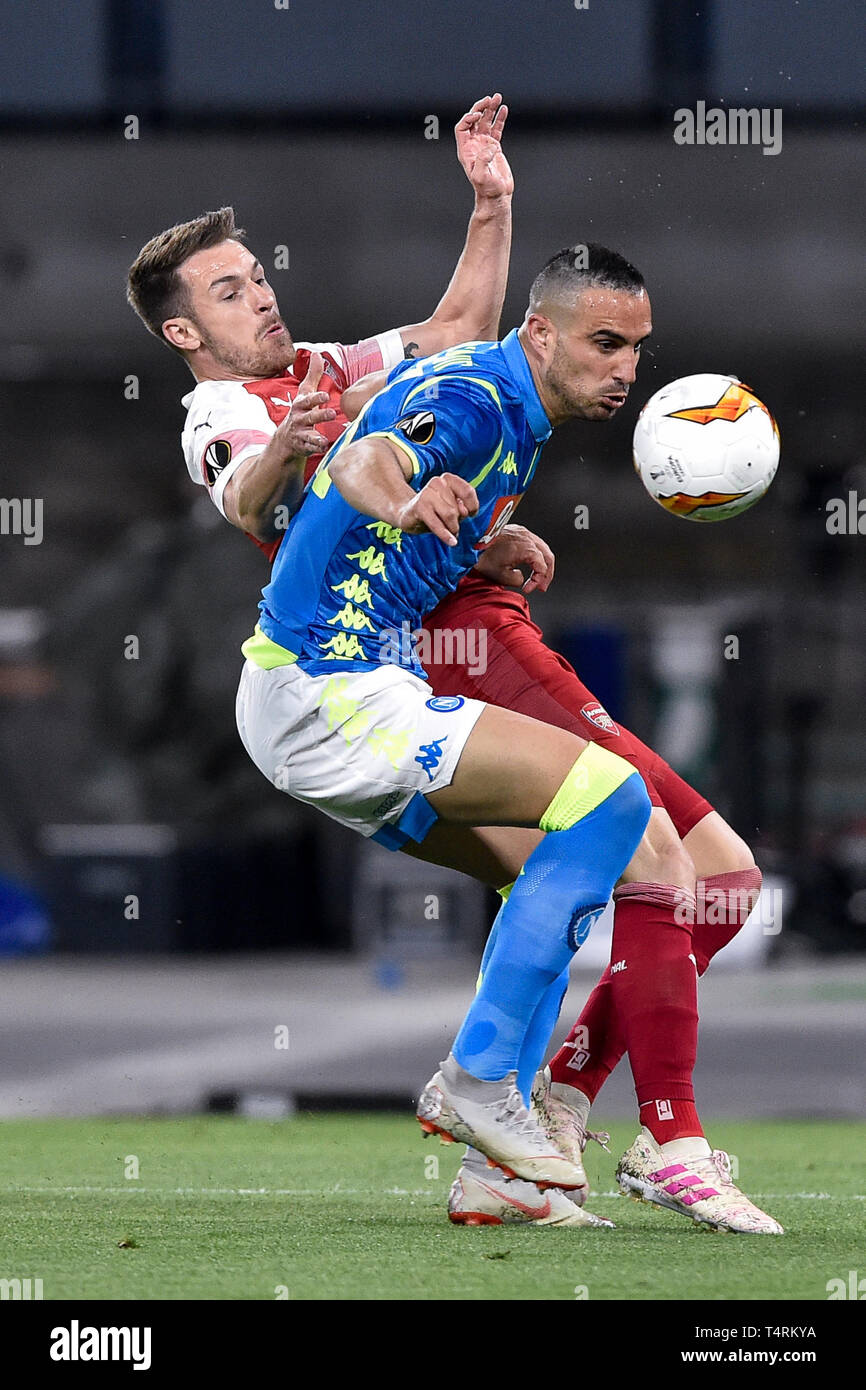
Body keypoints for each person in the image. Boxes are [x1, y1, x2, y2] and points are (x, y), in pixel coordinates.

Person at [127, 110, 780, 1232]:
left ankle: (503, 1163)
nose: (261, 294)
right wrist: (349, 468)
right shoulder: (223, 411)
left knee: (564, 868)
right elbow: (308, 476)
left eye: (254, 275)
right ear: (186, 333)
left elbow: (451, 333)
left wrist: (488, 204)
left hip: (364, 670)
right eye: (229, 291)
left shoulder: (360, 371)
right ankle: (584, 1113)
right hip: (348, 677)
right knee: (635, 829)